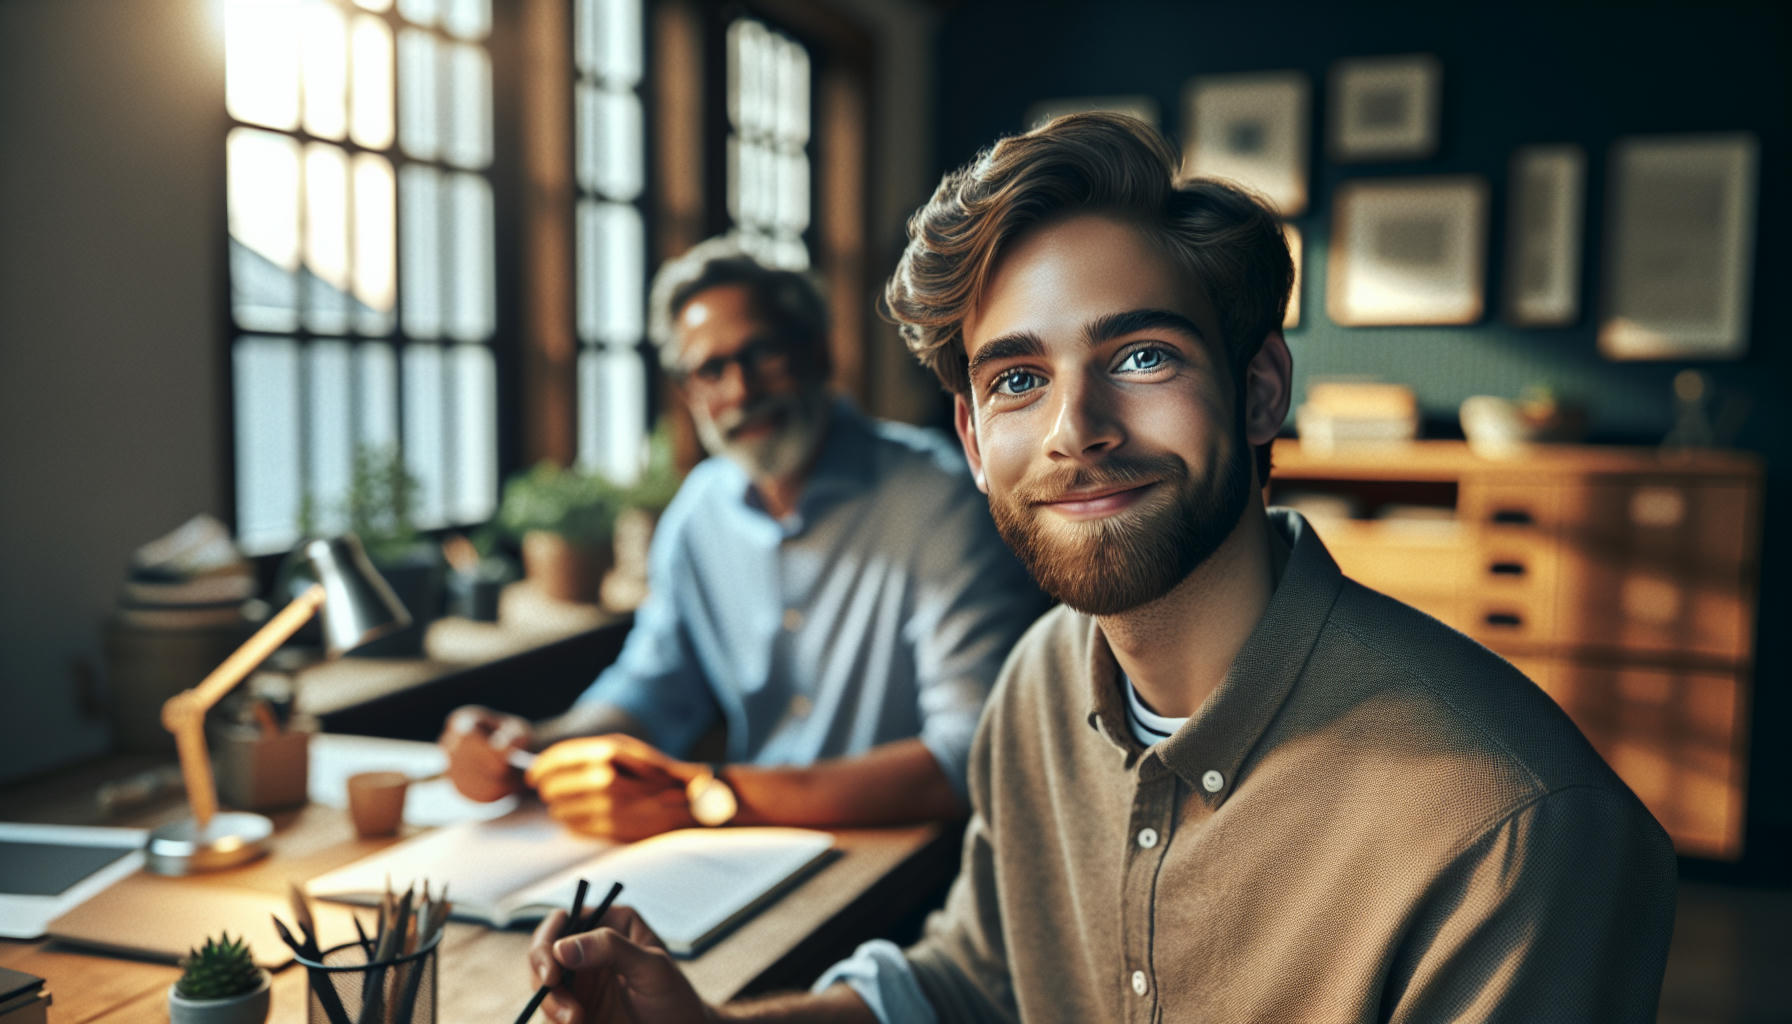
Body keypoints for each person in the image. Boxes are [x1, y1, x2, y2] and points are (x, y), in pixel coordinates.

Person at [522, 113, 1679, 1023]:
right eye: (1018, 380)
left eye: (1139, 355)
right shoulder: (1036, 688)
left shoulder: (1514, 830)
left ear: (1259, 388)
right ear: (973, 437)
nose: (1075, 430)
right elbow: (970, 983)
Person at [440, 238, 1046, 842]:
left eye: (763, 354)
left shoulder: (940, 498)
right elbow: (652, 691)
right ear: (688, 393)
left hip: (904, 854)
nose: (740, 391)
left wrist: (706, 798)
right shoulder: (697, 513)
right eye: (711, 371)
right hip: (751, 842)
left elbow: (970, 754)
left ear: (818, 352)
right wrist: (530, 748)